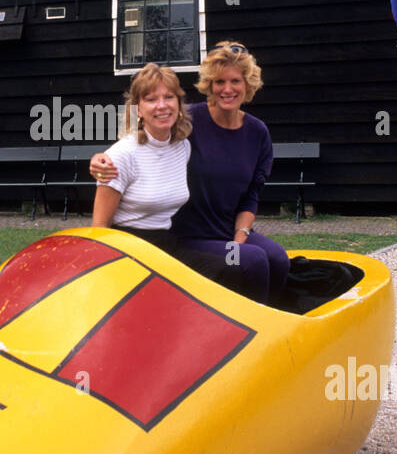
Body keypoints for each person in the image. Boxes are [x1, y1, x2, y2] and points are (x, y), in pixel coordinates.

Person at [92, 42, 289, 305]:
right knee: (252, 261)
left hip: (232, 229)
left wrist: (239, 238)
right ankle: (253, 330)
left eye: (235, 81)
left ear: (248, 85)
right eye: (219, 82)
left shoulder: (257, 133)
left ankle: (280, 320)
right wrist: (97, 160)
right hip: (191, 235)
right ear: (209, 84)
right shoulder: (189, 123)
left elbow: (252, 193)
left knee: (277, 258)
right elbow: (145, 141)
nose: (227, 89)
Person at [91, 62, 236, 288]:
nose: (162, 106)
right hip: (129, 250)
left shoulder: (182, 148)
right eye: (151, 99)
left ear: (178, 103)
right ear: (138, 109)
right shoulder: (120, 155)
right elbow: (99, 229)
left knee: (230, 269)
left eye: (169, 97)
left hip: (167, 245)